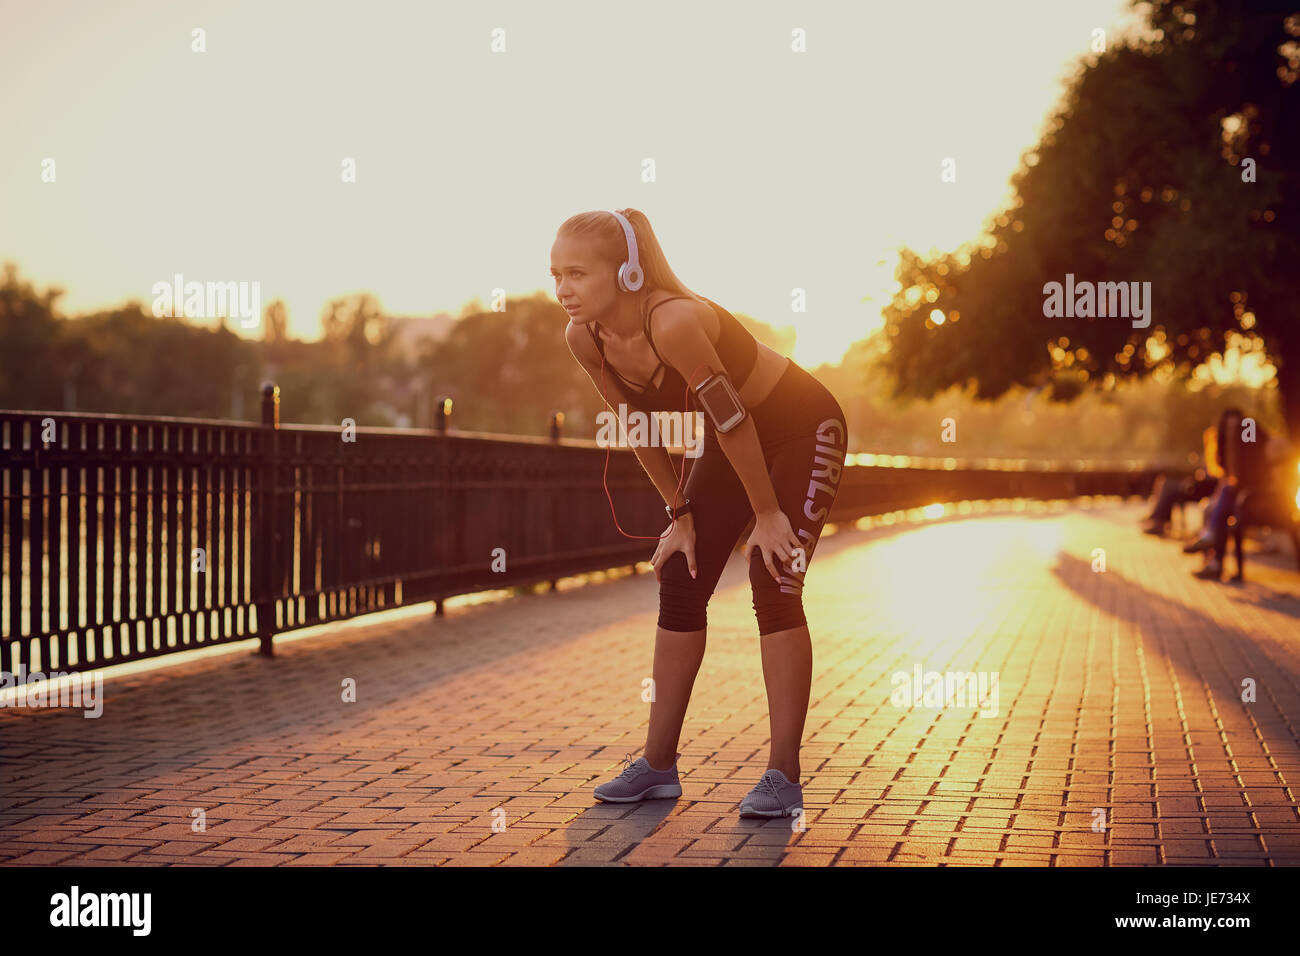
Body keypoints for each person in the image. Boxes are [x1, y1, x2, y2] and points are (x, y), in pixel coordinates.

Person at [553, 209, 848, 819]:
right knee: (681, 577)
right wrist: (679, 513)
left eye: (578, 273)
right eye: (556, 274)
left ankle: (783, 775)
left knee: (774, 578)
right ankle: (657, 766)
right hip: (731, 437)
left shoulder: (677, 320)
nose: (564, 289)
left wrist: (767, 514)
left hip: (799, 430)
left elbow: (736, 418)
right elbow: (636, 425)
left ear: (628, 271)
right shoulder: (586, 338)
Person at [1182, 407, 1285, 579]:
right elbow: (1229, 478)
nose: (1232, 430)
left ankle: (1213, 554)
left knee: (1222, 503)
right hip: (1241, 497)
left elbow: (1254, 463)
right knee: (1213, 508)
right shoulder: (1232, 446)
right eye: (1228, 428)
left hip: (1258, 499)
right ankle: (1213, 561)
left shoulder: (1249, 427)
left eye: (1234, 426)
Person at [1141, 425, 1221, 536]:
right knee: (1166, 482)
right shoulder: (1217, 451)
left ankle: (1158, 519)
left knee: (1169, 486)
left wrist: (1196, 480)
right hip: (1201, 486)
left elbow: (1213, 477)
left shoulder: (1219, 452)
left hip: (1203, 488)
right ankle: (1158, 518)